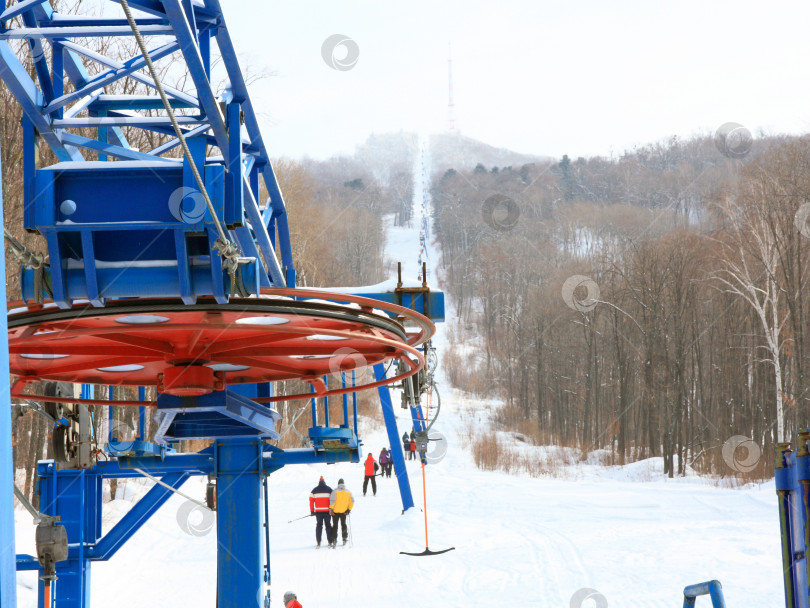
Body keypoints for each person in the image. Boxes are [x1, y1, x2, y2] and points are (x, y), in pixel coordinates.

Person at [308, 476, 333, 548]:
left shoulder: (314, 490)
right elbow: (333, 500)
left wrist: (312, 511)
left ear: (319, 482)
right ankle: (329, 541)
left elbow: (311, 501)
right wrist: (332, 509)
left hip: (318, 512)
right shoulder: (329, 489)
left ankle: (318, 541)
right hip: (327, 511)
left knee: (319, 526)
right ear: (324, 482)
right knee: (328, 525)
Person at [329, 478, 354, 546]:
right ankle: (344, 538)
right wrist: (348, 509)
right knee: (343, 525)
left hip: (335, 512)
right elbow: (352, 501)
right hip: (344, 512)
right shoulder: (348, 492)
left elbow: (332, 501)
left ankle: (334, 539)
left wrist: (331, 509)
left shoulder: (335, 491)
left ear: (338, 484)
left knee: (335, 525)